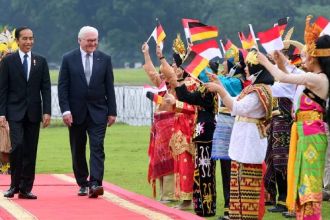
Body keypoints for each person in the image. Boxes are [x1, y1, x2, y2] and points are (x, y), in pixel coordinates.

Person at [257, 15, 330, 219]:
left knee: (309, 184)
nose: (303, 58)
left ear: (315, 57)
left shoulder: (318, 79)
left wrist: (264, 61)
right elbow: (289, 70)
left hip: (311, 136)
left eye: (306, 55)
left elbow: (283, 77)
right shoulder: (314, 77)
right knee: (301, 181)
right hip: (304, 134)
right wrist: (281, 62)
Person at [205, 49, 274, 220]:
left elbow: (237, 108)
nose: (244, 69)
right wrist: (220, 86)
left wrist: (220, 91)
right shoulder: (254, 88)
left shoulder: (260, 91)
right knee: (239, 187)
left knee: (247, 189)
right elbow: (235, 103)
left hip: (249, 143)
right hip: (243, 142)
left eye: (248, 66)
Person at [58, 26, 117, 198]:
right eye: (89, 40)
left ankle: (95, 183)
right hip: (75, 113)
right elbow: (63, 87)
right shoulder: (68, 59)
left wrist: (112, 111)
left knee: (97, 146)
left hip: (99, 111)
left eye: (95, 40)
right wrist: (65, 111)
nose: (93, 43)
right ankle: (83, 182)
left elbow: (109, 87)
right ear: (80, 40)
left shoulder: (105, 59)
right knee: (78, 148)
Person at [0, 26, 51, 199]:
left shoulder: (41, 61)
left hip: (34, 113)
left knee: (31, 149)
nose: (28, 42)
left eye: (31, 38)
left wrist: (47, 112)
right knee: (18, 146)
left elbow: (45, 89)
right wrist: (1, 113)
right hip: (14, 112)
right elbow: (3, 89)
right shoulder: (8, 61)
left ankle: (25, 188)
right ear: (17, 40)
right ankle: (13, 185)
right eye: (25, 38)